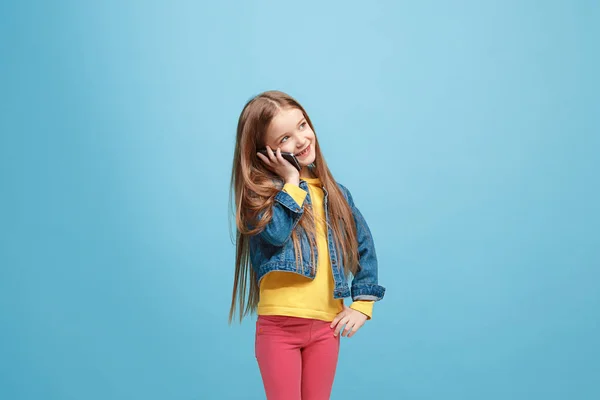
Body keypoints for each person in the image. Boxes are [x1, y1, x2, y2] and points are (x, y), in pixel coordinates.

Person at [229, 90, 385, 400]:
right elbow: (274, 234)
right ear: (263, 152)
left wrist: (363, 305)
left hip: (326, 328)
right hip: (279, 329)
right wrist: (291, 182)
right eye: (284, 138)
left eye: (302, 125)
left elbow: (363, 246)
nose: (301, 140)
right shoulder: (260, 196)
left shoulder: (336, 193)